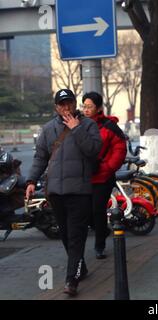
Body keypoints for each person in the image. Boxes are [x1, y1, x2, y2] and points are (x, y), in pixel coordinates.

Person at [25, 89, 102, 296]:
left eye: (69, 103)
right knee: (66, 236)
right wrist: (31, 181)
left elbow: (94, 150)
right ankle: (80, 267)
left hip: (79, 192)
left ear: (75, 104)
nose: (66, 108)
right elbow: (40, 157)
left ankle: (72, 280)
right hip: (56, 192)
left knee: (76, 236)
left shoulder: (88, 125)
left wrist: (77, 129)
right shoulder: (49, 129)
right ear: (56, 107)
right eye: (62, 104)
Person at [82, 91, 127, 259]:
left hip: (103, 177)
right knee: (85, 212)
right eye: (84, 106)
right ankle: (103, 231)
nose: (86, 110)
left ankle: (99, 245)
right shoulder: (78, 123)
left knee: (97, 210)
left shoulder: (109, 126)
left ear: (98, 107)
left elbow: (120, 148)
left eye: (90, 107)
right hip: (83, 177)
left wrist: (108, 167)